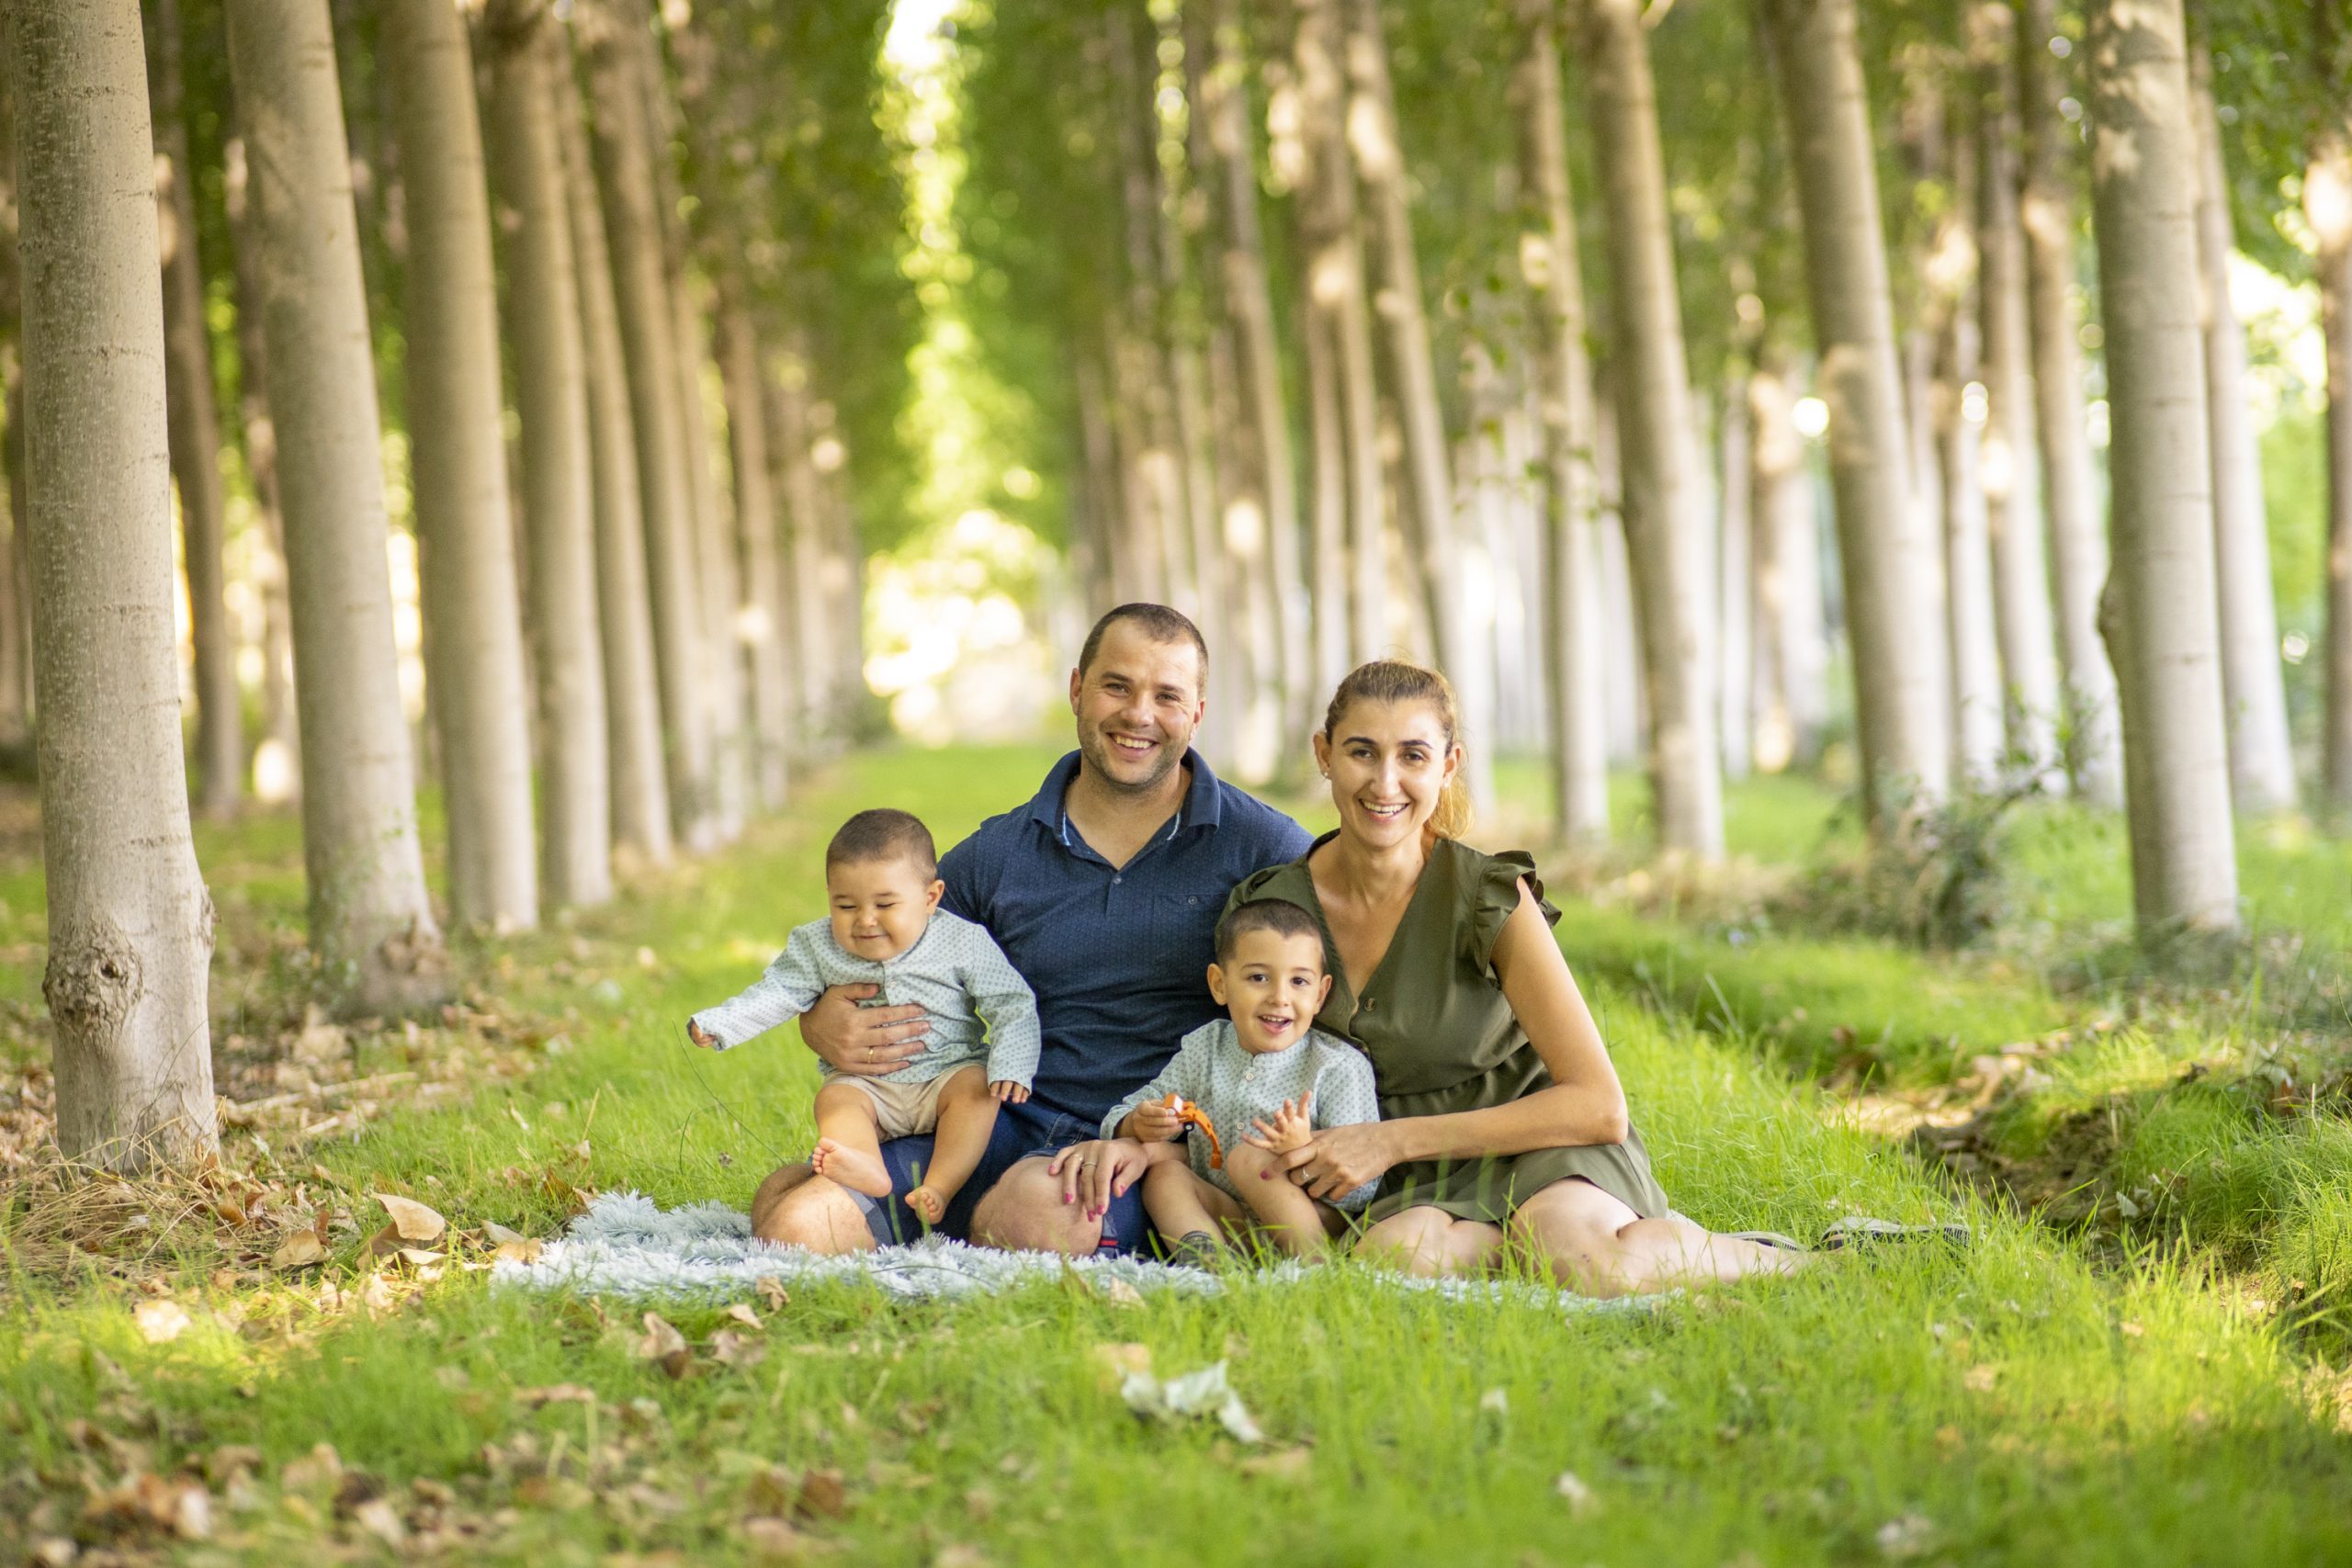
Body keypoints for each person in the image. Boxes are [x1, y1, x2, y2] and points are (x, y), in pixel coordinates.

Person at [1220, 660, 1808, 1296]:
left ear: (1449, 766)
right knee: (1395, 1263)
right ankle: (1575, 1245)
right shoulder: (1269, 909)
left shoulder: (1487, 896)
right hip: (1395, 1180)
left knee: (1586, 1263)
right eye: (1362, 752)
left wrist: (1390, 1141)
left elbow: (1599, 1106)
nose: (1385, 781)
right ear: (1324, 755)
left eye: (1413, 756)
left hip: (1537, 1145)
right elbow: (1235, 1066)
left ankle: (1806, 1262)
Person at [749, 604, 1312, 1255]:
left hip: (1139, 1147)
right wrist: (818, 1020)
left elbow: (1330, 981)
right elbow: (879, 946)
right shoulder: (998, 854)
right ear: (1077, 689)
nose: (1139, 714)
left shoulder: (1264, 847)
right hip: (992, 1123)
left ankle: (962, 1227)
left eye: (1167, 696)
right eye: (1117, 686)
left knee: (1036, 1215)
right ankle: (937, 1216)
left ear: (1197, 713)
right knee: (796, 1226)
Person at [684, 809, 1037, 1227]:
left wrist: (1012, 1064)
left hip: (945, 1075)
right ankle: (865, 1165)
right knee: (835, 1100)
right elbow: (778, 992)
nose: (865, 920)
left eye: (885, 904)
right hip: (868, 1086)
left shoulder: (962, 941)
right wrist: (721, 1023)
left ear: (930, 897)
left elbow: (1010, 1002)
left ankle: (940, 1186)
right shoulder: (817, 946)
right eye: (846, 905)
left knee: (978, 1091)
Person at [1105, 898, 1381, 1262]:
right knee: (1166, 1173)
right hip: (1235, 1218)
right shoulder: (1205, 1048)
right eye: (1258, 978)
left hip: (1311, 1221)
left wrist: (1305, 1153)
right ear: (1220, 985)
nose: (1280, 997)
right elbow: (1132, 1107)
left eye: (1299, 981)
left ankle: (1315, 1271)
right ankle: (1208, 1263)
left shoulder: (1337, 1067)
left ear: (1320, 994)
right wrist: (1138, 1122)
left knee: (1249, 1159)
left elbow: (1362, 1189)